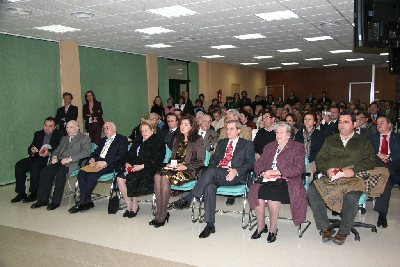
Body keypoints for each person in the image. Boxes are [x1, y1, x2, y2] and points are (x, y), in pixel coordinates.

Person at [307, 111, 376, 245]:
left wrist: (353, 170)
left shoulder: (363, 141)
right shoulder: (331, 140)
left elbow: (371, 161)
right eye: (340, 122)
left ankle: (344, 230)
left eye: (346, 122)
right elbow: (320, 158)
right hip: (331, 178)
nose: (342, 125)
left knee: (351, 197)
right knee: (312, 191)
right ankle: (325, 227)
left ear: (355, 124)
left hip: (353, 179)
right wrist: (327, 170)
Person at [248, 122, 306, 243]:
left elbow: (299, 168)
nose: (278, 135)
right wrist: (263, 172)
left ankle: (273, 229)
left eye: (281, 132)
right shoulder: (270, 146)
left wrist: (279, 172)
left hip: (287, 180)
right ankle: (261, 226)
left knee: (272, 195)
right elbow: (259, 163)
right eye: (277, 132)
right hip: (268, 178)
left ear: (289, 135)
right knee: (256, 191)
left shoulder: (297, 147)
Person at [150, 115, 205, 227]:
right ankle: (161, 212)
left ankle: (162, 215)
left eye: (186, 124)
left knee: (165, 178)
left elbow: (200, 161)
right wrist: (171, 164)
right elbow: (174, 157)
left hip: (189, 171)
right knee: (157, 176)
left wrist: (185, 166)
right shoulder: (177, 138)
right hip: (175, 169)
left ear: (192, 127)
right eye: (181, 124)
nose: (182, 126)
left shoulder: (198, 140)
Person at [68, 122, 128, 213]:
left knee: (92, 176)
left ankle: (82, 202)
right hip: (96, 164)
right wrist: (92, 159)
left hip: (111, 164)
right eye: (104, 128)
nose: (105, 130)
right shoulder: (103, 140)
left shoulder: (121, 139)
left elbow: (121, 155)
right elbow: (95, 152)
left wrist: (105, 162)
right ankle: (87, 202)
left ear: (114, 129)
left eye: (107, 128)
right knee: (81, 173)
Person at [31, 120, 91, 210]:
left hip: (74, 162)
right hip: (61, 161)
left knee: (61, 172)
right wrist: (54, 157)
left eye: (71, 127)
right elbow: (57, 150)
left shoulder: (84, 138)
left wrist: (70, 159)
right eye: (67, 127)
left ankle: (56, 201)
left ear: (77, 128)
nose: (68, 129)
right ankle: (42, 199)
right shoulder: (64, 138)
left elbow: (86, 153)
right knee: (45, 171)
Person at [117, 119, 165, 218]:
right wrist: (127, 163)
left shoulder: (158, 141)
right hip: (134, 167)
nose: (144, 133)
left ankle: (135, 205)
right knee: (119, 179)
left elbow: (158, 160)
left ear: (152, 130)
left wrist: (142, 166)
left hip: (149, 168)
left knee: (132, 178)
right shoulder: (138, 140)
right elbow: (130, 154)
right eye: (142, 131)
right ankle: (129, 203)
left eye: (146, 130)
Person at [11, 117, 61, 203]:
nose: (47, 128)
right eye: (45, 125)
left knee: (35, 166)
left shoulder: (59, 135)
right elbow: (31, 146)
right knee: (19, 165)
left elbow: (59, 150)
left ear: (55, 127)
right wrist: (32, 149)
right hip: (35, 156)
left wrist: (49, 153)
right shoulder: (38, 134)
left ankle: (34, 193)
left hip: (48, 158)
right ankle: (21, 193)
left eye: (50, 126)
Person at [370, 116, 400, 228]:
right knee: (385, 179)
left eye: (382, 123)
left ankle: (382, 215)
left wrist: (389, 158)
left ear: (390, 125)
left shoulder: (398, 137)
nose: (379, 125)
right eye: (377, 123)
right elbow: (367, 153)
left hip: (395, 167)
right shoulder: (372, 137)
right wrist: (378, 155)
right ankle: (382, 215)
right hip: (378, 167)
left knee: (386, 179)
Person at [294, 112, 325, 179]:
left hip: (313, 160)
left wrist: (307, 160)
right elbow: (295, 149)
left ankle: (305, 185)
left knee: (308, 174)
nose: (307, 121)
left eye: (309, 119)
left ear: (314, 122)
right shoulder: (299, 133)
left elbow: (319, 151)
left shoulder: (319, 134)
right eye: (305, 119)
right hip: (299, 160)